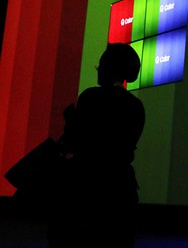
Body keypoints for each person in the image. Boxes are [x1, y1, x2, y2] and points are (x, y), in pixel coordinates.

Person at [48, 43, 146, 247]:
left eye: (102, 64)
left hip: (84, 187)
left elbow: (76, 141)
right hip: (120, 190)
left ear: (110, 67)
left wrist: (70, 121)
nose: (98, 68)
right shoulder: (136, 106)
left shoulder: (90, 96)